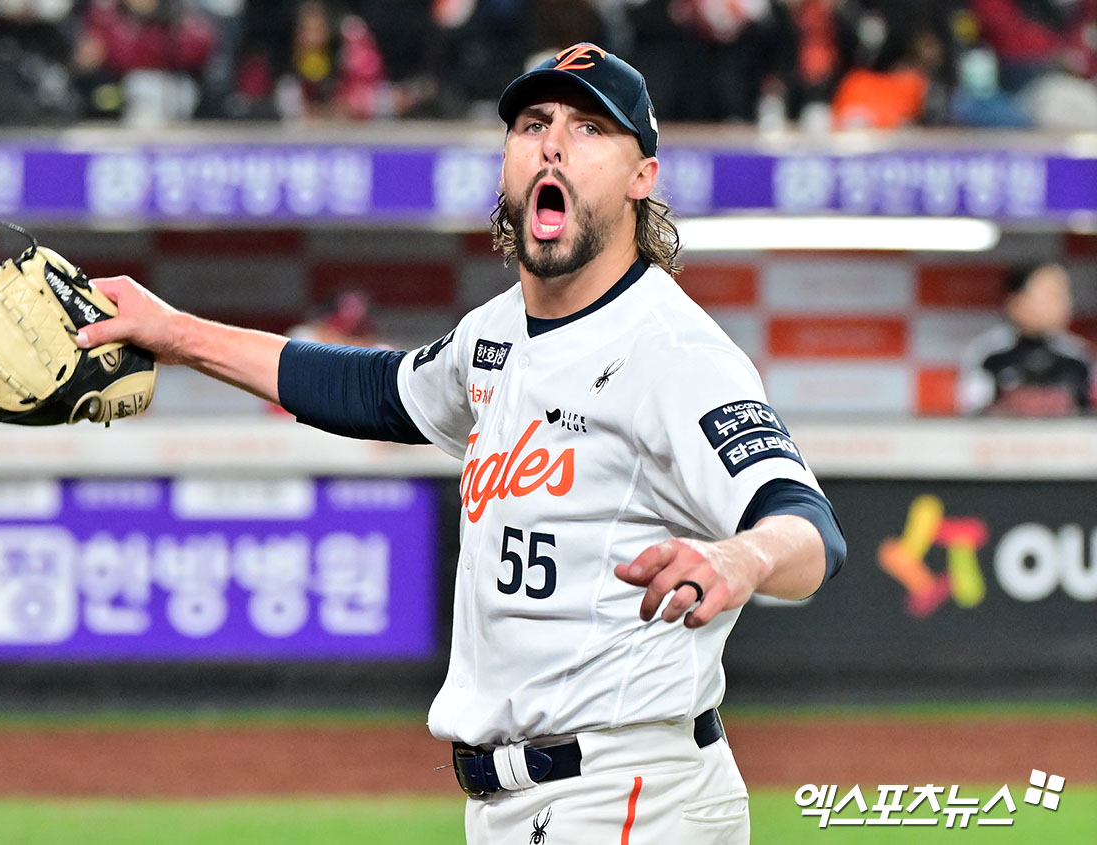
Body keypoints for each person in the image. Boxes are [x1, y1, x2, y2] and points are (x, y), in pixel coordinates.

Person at [75, 42, 846, 843]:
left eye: (589, 130)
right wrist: (173, 332)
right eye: (533, 123)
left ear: (642, 177)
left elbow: (806, 525)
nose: (551, 142)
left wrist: (740, 558)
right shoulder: (495, 333)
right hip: (517, 802)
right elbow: (375, 392)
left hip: (627, 796)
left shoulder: (674, 352)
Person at [958, 261, 1094, 416]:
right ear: (1016, 302)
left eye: (1065, 295)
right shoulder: (988, 354)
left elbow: (1087, 419)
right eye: (1052, 295)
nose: (1065, 304)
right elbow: (971, 417)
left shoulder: (1077, 356)